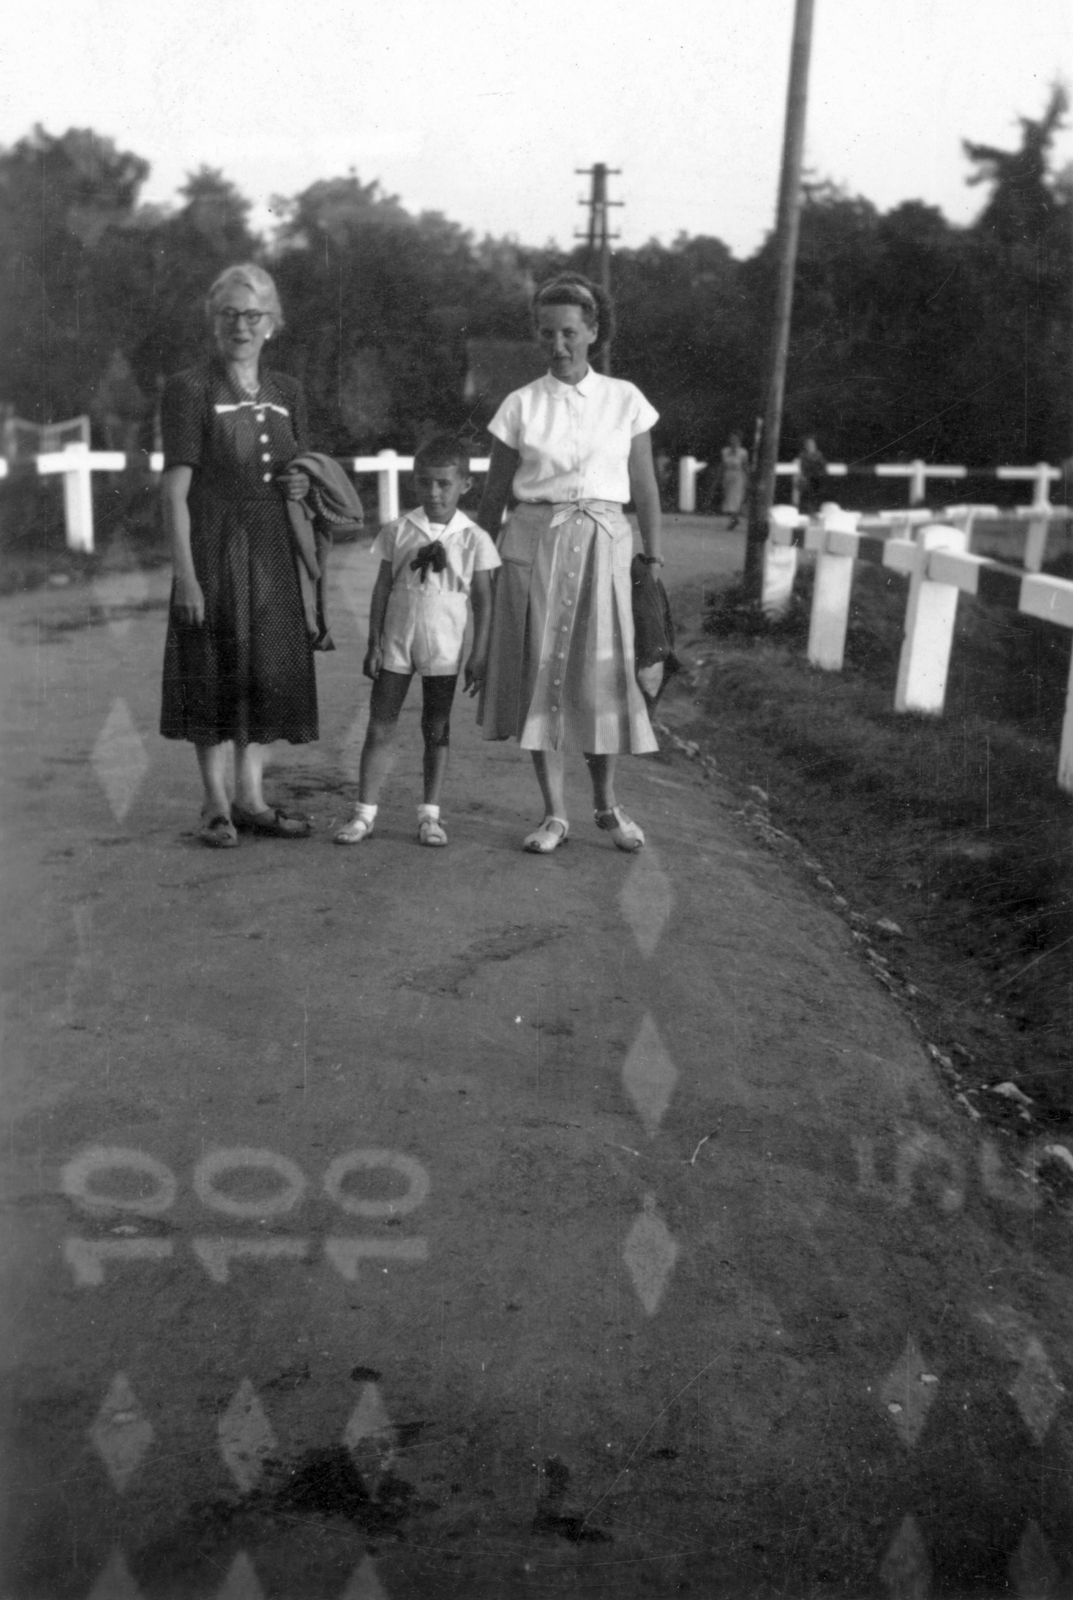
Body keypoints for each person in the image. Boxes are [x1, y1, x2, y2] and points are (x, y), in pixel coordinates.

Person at [476, 271, 662, 855]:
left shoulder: (625, 398)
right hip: (533, 543)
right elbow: (493, 495)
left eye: (569, 333)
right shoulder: (520, 404)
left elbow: (645, 486)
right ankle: (554, 814)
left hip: (607, 544)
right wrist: (477, 563)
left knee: (601, 678)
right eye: (546, 333)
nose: (557, 345)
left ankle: (606, 806)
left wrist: (652, 558)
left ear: (594, 332)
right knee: (542, 676)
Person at [160, 263, 317, 847]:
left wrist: (298, 485)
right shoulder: (190, 388)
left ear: (272, 324)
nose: (241, 327)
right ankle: (215, 804)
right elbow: (174, 492)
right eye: (229, 315)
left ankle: (252, 799)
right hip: (213, 543)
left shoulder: (288, 393)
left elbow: (295, 471)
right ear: (213, 322)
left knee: (267, 668)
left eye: (253, 316)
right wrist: (187, 578)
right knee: (211, 667)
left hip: (272, 545)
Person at [334, 435, 501, 849]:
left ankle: (430, 815)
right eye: (425, 482)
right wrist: (373, 643)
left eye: (445, 483)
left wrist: (479, 654)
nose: (434, 492)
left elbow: (483, 600)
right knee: (380, 725)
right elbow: (381, 589)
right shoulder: (400, 530)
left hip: (444, 647)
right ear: (415, 482)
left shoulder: (474, 537)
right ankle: (364, 813)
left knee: (437, 728)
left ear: (464, 484)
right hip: (397, 643)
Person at [719, 430, 749, 528]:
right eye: (731, 439)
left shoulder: (743, 452)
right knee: (728, 498)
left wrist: (747, 479)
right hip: (728, 475)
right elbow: (722, 465)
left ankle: (733, 520)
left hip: (738, 476)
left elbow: (745, 466)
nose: (733, 441)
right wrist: (721, 477)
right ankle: (734, 519)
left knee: (735, 498)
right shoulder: (725, 451)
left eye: (735, 439)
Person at [795, 436, 827, 516]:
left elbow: (823, 468)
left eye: (812, 444)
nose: (810, 446)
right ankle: (806, 513)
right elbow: (803, 468)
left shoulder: (819, 455)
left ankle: (815, 513)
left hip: (817, 480)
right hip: (807, 481)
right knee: (806, 498)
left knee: (815, 498)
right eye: (808, 444)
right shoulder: (803, 455)